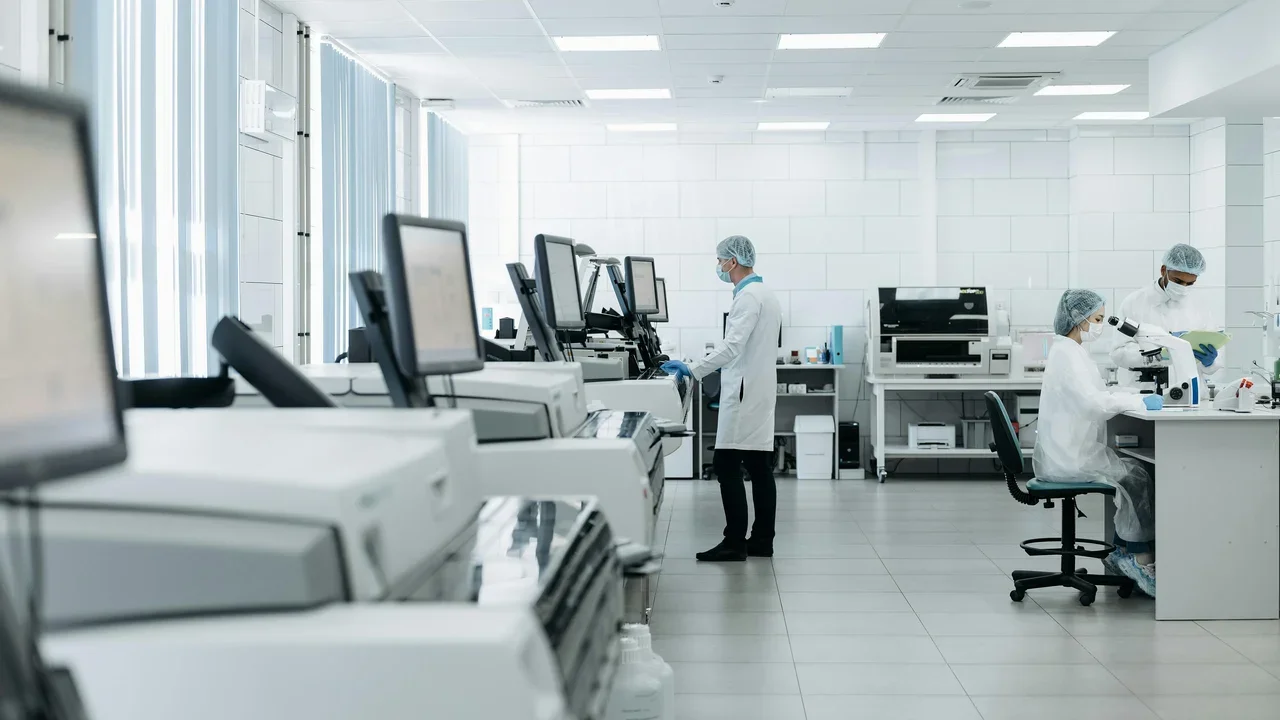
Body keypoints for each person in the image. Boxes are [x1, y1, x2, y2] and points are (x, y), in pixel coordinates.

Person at [661, 236, 783, 562]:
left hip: (743, 392)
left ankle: (734, 543)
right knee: (758, 466)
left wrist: (692, 369)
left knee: (726, 463)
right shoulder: (766, 294)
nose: (718, 266)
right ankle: (761, 540)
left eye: (720, 260)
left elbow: (732, 348)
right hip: (758, 389)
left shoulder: (747, 298)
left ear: (733, 260)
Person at [1036, 289, 1161, 596]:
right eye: (1098, 319)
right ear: (1079, 320)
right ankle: (1139, 558)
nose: (1101, 326)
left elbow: (1095, 397)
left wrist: (1132, 398)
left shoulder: (1070, 350)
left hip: (1070, 451)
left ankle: (1123, 554)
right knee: (1136, 476)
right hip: (1069, 459)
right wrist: (1139, 400)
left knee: (1133, 471)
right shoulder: (1067, 353)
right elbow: (1095, 404)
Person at [1111, 243, 1224, 388]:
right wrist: (1160, 351)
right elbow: (1118, 353)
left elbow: (1215, 351)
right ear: (1163, 270)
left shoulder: (1199, 304)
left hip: (1189, 392)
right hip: (1144, 394)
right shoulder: (1135, 302)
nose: (1183, 288)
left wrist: (1210, 361)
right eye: (1178, 281)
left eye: (1190, 284)